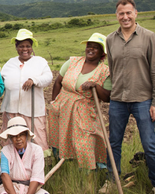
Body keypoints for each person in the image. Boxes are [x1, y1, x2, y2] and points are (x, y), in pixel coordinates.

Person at [103, 0, 155, 194]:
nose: (125, 17)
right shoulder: (111, 39)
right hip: (118, 100)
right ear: (117, 16)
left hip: (143, 99)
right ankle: (112, 181)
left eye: (129, 13)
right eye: (121, 14)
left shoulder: (149, 37)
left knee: (149, 145)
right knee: (113, 144)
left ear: (136, 13)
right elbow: (112, 70)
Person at [48, 33, 112, 169]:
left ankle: (89, 172)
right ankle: (66, 168)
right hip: (63, 107)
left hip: (85, 112)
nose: (91, 49)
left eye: (96, 47)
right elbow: (58, 82)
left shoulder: (104, 71)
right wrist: (54, 103)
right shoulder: (73, 62)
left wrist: (96, 85)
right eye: (89, 46)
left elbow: (107, 97)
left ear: (102, 53)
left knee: (84, 142)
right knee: (63, 139)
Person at [0, 29, 53, 152]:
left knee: (36, 137)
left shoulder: (40, 62)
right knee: (13, 137)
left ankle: (39, 164)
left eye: (28, 46)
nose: (25, 49)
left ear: (32, 47)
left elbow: (48, 78)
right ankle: (12, 163)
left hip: (33, 110)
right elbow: (2, 79)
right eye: (21, 46)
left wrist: (34, 80)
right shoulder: (10, 63)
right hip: (11, 109)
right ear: (16, 47)